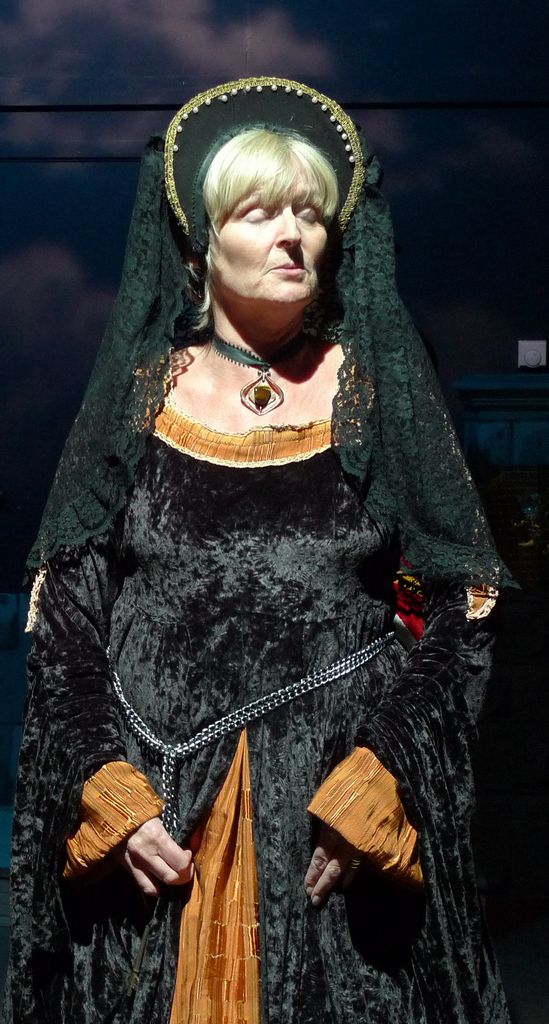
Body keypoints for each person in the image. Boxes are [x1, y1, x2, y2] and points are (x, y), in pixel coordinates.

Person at [3, 76, 512, 1024]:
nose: (293, 237)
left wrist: (382, 772)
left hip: (327, 817)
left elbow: (463, 601)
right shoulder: (139, 397)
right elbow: (68, 618)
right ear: (201, 244)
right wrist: (109, 791)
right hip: (158, 810)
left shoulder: (374, 396)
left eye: (310, 215)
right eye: (261, 213)